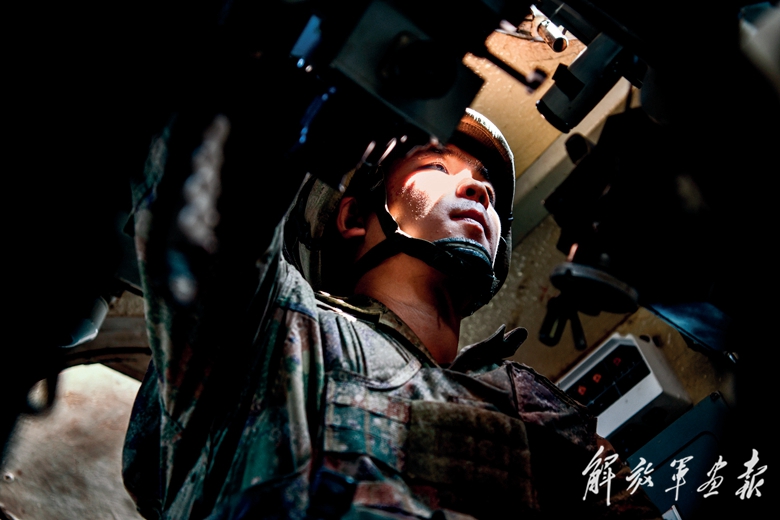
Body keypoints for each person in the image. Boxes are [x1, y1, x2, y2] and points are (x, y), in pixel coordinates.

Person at [121, 105, 661, 520]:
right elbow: (204, 178)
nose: (480, 189)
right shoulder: (276, 328)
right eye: (437, 166)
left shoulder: (539, 410)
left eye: (492, 194)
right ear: (354, 216)